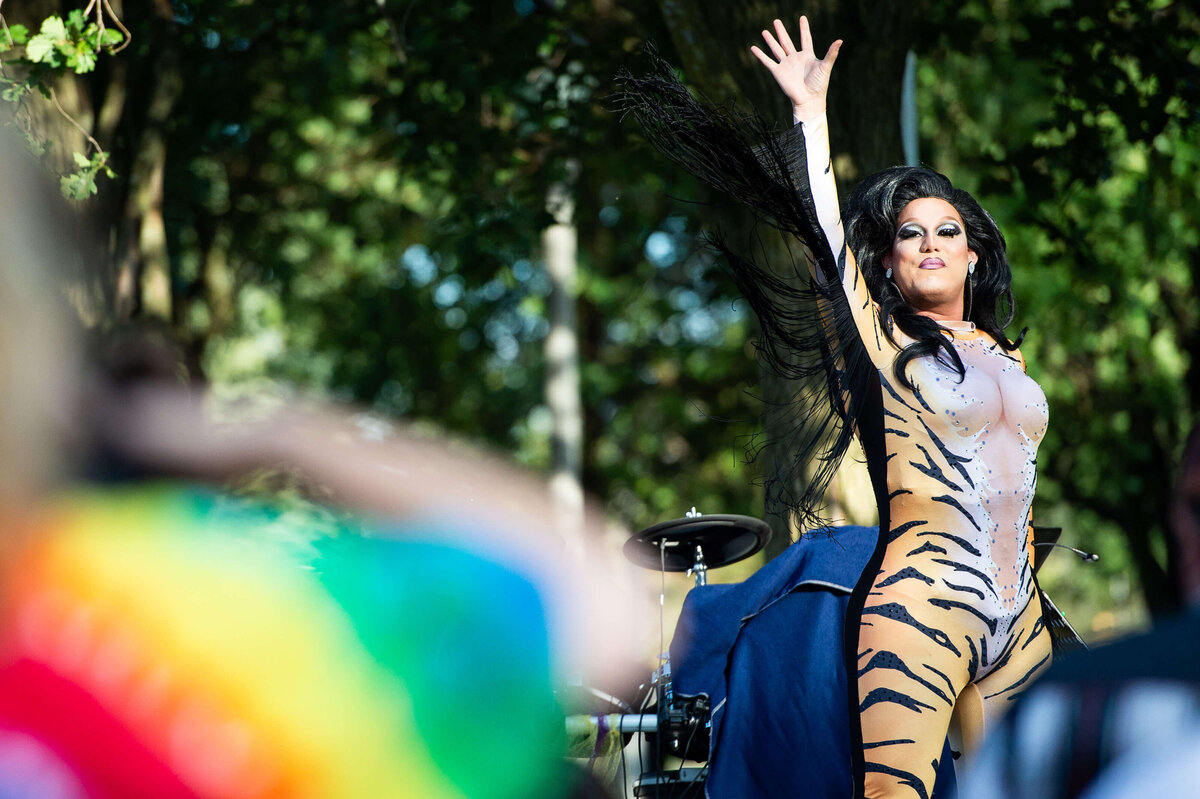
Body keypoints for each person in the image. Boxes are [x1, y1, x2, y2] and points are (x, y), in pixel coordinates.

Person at [617, 16, 1053, 799]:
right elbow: (825, 234)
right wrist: (810, 118)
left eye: (946, 231)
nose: (928, 243)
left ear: (972, 251)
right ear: (887, 259)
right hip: (924, 602)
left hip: (1019, 610)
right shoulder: (890, 343)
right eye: (908, 234)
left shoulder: (1006, 354)